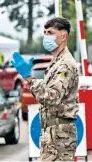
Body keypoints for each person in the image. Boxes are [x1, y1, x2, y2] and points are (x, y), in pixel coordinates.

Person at [11, 17, 79, 161]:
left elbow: (52, 97)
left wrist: (29, 78)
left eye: (50, 32)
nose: (46, 36)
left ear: (63, 36)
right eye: (45, 32)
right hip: (53, 133)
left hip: (60, 135)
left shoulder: (65, 65)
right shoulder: (56, 62)